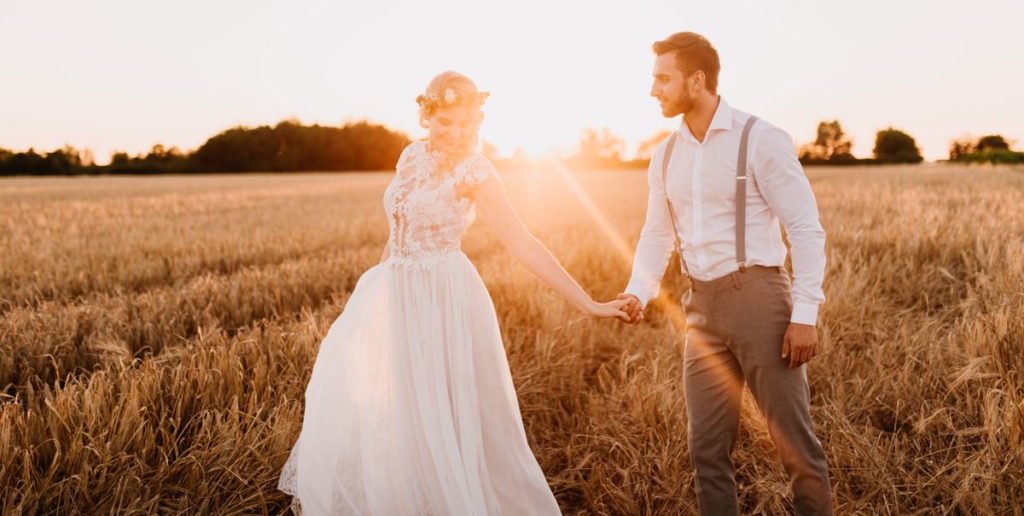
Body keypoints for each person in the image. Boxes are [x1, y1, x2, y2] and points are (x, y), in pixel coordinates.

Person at [278, 71, 631, 515]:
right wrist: (379, 289)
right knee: (402, 408)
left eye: (467, 124)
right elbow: (398, 229)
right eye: (447, 122)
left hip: (446, 299)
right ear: (426, 117)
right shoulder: (409, 157)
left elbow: (522, 242)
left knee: (446, 412)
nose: (457, 133)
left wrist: (588, 303)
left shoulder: (476, 171)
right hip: (398, 292)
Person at [617, 33, 833, 515]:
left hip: (761, 301)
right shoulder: (665, 155)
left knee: (796, 447)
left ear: (697, 80)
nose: (653, 90)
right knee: (707, 451)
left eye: (662, 78)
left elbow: (805, 229)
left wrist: (805, 314)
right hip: (701, 308)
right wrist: (638, 292)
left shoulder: (760, 138)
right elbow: (657, 236)